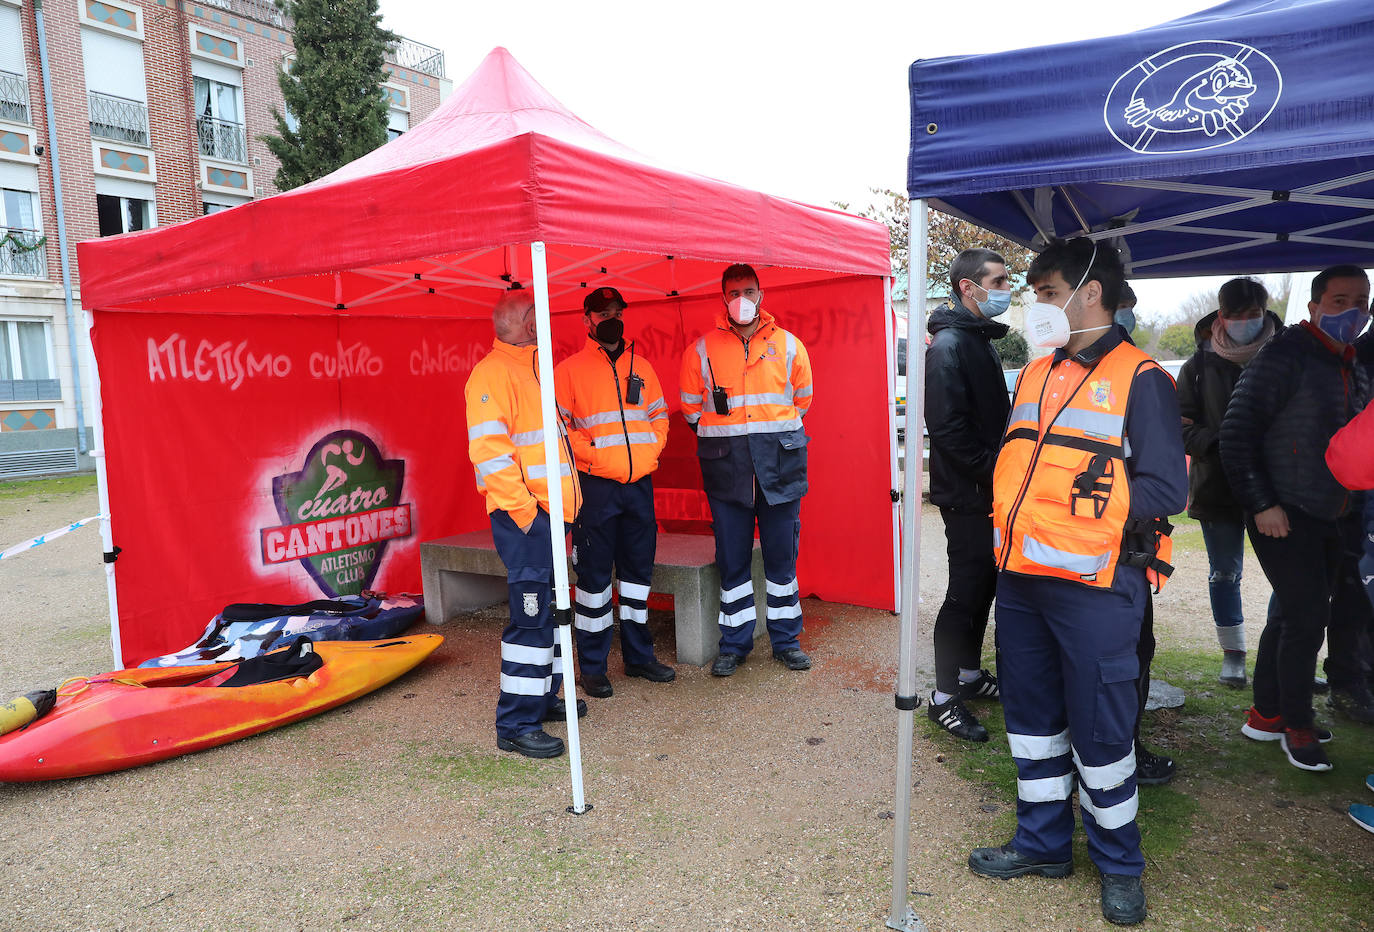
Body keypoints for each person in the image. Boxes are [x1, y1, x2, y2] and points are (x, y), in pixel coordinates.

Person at [968, 238, 1187, 927]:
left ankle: (1120, 865)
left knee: (1101, 729)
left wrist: (1078, 527)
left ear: (1091, 293)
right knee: (1032, 723)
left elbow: (1164, 486)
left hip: (1095, 585)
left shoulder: (1142, 376)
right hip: (1023, 580)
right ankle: (1042, 843)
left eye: (1046, 291)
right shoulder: (1037, 370)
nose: (1038, 303)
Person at [1220, 265, 1372, 772]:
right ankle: (1296, 724)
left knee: (1291, 614)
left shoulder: (1352, 362)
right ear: (1313, 307)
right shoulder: (1284, 353)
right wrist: (1263, 504)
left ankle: (1267, 713)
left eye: (1361, 301)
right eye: (1338, 301)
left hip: (1335, 511)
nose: (1351, 312)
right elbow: (1237, 433)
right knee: (1308, 619)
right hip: (1284, 511)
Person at [679, 263, 814, 677]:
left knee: (781, 560)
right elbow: (689, 410)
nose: (743, 299)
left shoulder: (790, 346)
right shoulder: (701, 350)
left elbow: (803, 400)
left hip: (779, 467)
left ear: (761, 293)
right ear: (722, 296)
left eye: (750, 290)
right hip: (728, 471)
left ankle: (786, 641)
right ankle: (734, 644)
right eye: (735, 291)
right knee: (733, 561)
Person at [465, 289, 583, 759]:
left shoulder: (532, 368)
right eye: (539, 315)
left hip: (551, 516)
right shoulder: (491, 375)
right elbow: (491, 457)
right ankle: (516, 723)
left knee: (551, 613)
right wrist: (530, 517)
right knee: (531, 620)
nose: (546, 321)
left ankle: (543, 695)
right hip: (529, 521)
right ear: (522, 322)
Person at [555, 286, 675, 699]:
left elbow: (660, 416)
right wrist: (595, 459)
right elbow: (562, 431)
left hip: (639, 484)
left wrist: (651, 450)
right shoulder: (569, 371)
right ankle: (593, 667)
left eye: (616, 310)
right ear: (586, 319)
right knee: (593, 581)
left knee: (638, 577)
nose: (610, 316)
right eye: (601, 312)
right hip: (596, 487)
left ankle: (639, 657)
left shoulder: (641, 365)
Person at [923, 247, 1011, 742]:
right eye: (997, 282)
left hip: (989, 490)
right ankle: (942, 697)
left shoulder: (979, 339)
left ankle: (970, 676)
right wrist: (994, 474)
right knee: (964, 592)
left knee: (984, 588)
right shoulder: (950, 345)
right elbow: (950, 431)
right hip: (967, 493)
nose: (1005, 289)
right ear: (968, 287)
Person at [1178, 278, 1283, 687]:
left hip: (1274, 487)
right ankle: (1233, 652)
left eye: (1253, 315)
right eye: (1235, 316)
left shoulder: (1285, 355)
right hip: (1216, 486)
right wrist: (1224, 442)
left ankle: (1282, 649)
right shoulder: (1197, 366)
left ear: (1265, 311)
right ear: (1220, 316)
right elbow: (1182, 427)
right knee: (1224, 573)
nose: (1244, 323)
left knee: (1287, 575)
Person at [1114, 282, 1178, 788]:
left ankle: (1124, 746)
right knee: (1126, 651)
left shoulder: (1142, 377)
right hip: (1105, 543)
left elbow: (1164, 484)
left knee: (1135, 649)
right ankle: (1118, 749)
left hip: (1129, 540)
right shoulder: (1049, 375)